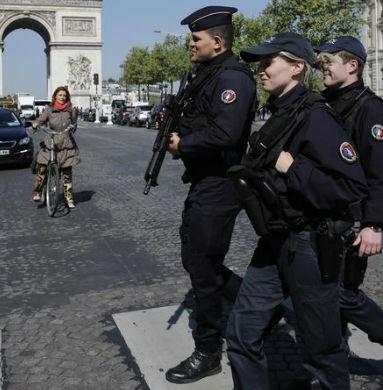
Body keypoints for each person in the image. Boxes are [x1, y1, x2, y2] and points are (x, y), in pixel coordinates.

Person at [225, 32, 368, 390]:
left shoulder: (316, 118)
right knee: (242, 334)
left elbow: (351, 187)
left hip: (309, 245)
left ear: (297, 67)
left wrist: (294, 169)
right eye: (259, 63)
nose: (261, 70)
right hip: (275, 239)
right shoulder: (279, 114)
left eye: (268, 61)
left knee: (322, 350)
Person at [316, 36, 383, 390]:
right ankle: (335, 368)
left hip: (351, 218)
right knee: (325, 295)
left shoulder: (369, 108)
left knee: (342, 293)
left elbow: (381, 170)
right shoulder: (323, 102)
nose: (322, 69)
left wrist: (374, 224)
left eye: (328, 63)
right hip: (321, 213)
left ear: (352, 65)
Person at [163, 5, 257, 384]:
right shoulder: (210, 75)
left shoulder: (233, 78)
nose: (190, 44)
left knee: (202, 269)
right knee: (195, 257)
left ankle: (208, 351)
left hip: (221, 185)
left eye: (195, 38)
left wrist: (183, 144)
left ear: (217, 42)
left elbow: (227, 134)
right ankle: (259, 302)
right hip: (205, 182)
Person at [31, 86, 80, 208]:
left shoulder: (71, 110)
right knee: (42, 167)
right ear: (55, 97)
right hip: (51, 141)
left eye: (64, 95)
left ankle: (68, 196)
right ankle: (37, 189)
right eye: (60, 95)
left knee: (67, 172)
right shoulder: (49, 109)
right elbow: (40, 120)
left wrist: (73, 128)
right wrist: (35, 124)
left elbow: (74, 123)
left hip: (66, 142)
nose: (62, 97)